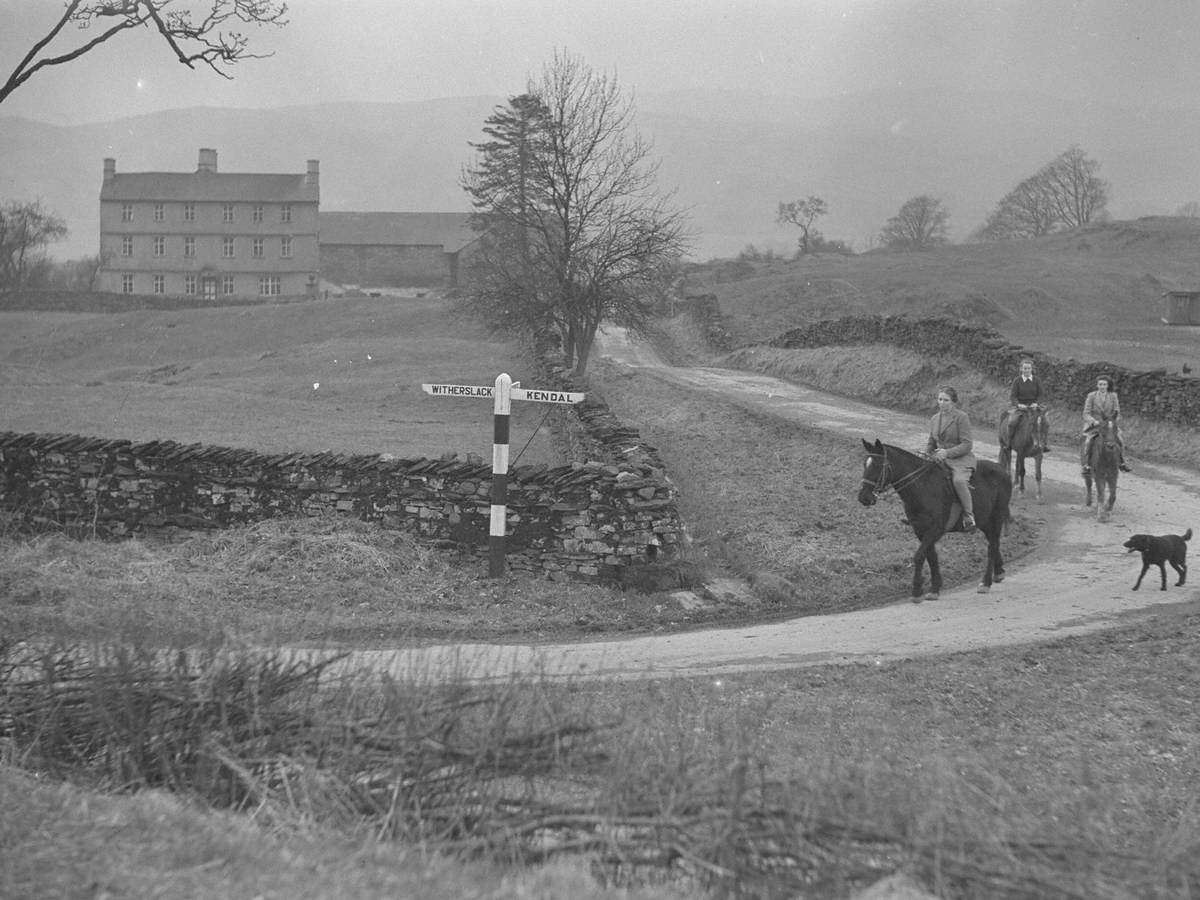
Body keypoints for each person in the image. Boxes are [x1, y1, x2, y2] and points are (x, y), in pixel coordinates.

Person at [926, 385, 977, 531]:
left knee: (959, 481)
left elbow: (967, 445)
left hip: (961, 459)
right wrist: (925, 454)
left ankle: (969, 517)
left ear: (953, 402)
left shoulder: (962, 418)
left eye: (945, 400)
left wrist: (947, 453)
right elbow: (931, 442)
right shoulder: (934, 418)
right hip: (940, 459)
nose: (941, 403)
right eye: (940, 399)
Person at [1081, 374, 1132, 473]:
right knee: (1088, 440)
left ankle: (1122, 462)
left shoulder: (1113, 396)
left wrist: (1112, 421)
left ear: (1108, 386)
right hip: (1095, 423)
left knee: (1120, 440)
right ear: (1097, 385)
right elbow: (1086, 413)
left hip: (1109, 423)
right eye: (1100, 384)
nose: (1102, 386)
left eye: (1104, 384)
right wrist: (1093, 421)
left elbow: (1117, 411)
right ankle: (1087, 464)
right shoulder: (1091, 396)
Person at [1003, 357, 1050, 452]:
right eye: (1025, 368)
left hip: (1034, 407)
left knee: (1046, 422)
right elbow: (1013, 396)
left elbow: (1041, 395)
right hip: (1021, 407)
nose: (1027, 370)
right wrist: (1018, 404)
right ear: (1021, 369)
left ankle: (1044, 444)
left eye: (1028, 368)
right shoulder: (1017, 381)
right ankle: (1009, 443)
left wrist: (1036, 403)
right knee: (1012, 421)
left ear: (1032, 369)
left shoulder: (1037, 380)